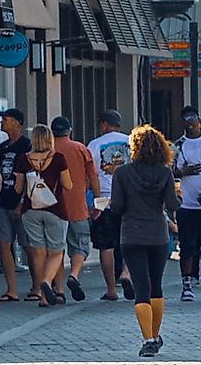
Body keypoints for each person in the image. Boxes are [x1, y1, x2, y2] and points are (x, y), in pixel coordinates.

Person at [114, 125, 181, 356]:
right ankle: (155, 334)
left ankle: (148, 338)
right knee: (156, 286)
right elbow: (172, 205)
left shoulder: (121, 173)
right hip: (157, 234)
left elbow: (117, 207)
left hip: (131, 234)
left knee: (141, 286)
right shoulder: (165, 174)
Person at [19, 124, 76, 307]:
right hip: (54, 209)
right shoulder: (58, 158)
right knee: (57, 251)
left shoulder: (23, 159)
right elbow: (68, 185)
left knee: (39, 252)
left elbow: (18, 188)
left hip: (30, 210)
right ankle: (47, 282)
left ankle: (42, 294)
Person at [171, 106, 201, 300]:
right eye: (186, 119)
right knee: (187, 246)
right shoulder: (178, 146)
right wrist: (183, 172)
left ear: (199, 120)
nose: (190, 123)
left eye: (193, 119)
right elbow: (170, 171)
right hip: (187, 204)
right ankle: (187, 285)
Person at [49, 113, 98, 300]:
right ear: (69, 130)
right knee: (80, 244)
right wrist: (97, 199)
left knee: (56, 248)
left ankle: (59, 290)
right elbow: (92, 176)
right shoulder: (79, 148)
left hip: (52, 206)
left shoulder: (46, 149)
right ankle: (74, 274)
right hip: (78, 204)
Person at [86, 109, 131, 301]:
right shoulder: (131, 142)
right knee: (130, 241)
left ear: (104, 124)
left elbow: (91, 174)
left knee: (106, 245)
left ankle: (111, 289)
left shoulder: (94, 144)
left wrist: (92, 201)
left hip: (104, 198)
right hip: (129, 198)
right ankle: (126, 274)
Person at [0, 104, 31, 302]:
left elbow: (31, 176)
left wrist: (22, 202)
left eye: (5, 119)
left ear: (15, 122)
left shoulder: (26, 146)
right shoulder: (3, 147)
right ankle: (11, 289)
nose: (2, 122)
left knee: (27, 244)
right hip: (4, 201)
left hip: (21, 203)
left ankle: (37, 286)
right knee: (4, 243)